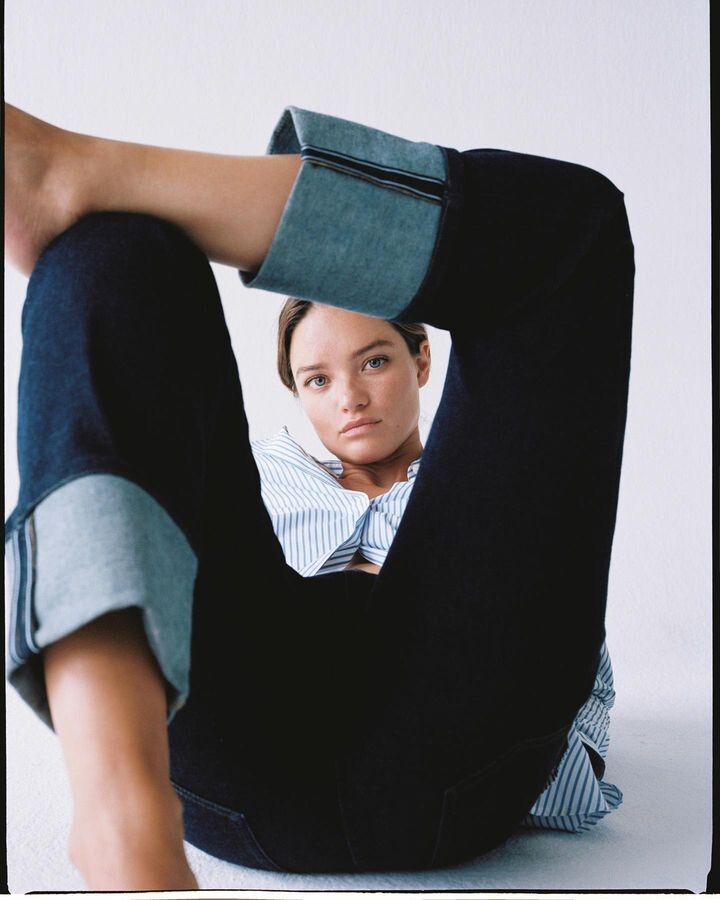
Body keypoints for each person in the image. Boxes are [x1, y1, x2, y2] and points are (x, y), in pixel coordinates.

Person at [4, 102, 634, 890]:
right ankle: (117, 820)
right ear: (297, 392)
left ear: (421, 362)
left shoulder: (489, 480)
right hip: (238, 746)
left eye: (375, 361)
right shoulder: (261, 474)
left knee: (571, 226)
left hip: (461, 749)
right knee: (112, 246)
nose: (351, 398)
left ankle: (98, 172)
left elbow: (561, 639)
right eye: (318, 379)